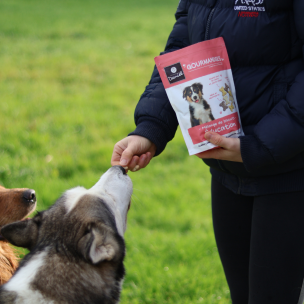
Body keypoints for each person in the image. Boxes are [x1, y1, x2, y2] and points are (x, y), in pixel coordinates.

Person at [111, 0, 304, 303]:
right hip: (227, 169)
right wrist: (150, 128)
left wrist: (259, 145)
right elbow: (181, 50)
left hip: (289, 174)